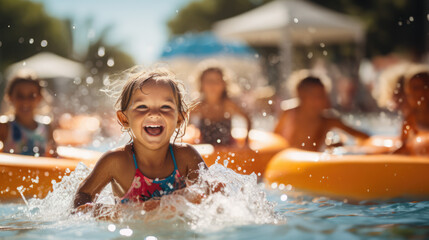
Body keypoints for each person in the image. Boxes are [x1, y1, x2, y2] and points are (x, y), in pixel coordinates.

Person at [73, 67, 207, 212]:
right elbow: (83, 195)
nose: (154, 114)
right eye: (142, 106)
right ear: (124, 119)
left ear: (180, 118)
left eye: (165, 107)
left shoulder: (186, 157)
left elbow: (211, 194)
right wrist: (102, 212)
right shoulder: (116, 162)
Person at [274, 72, 369, 152]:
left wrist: (346, 149)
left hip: (313, 164)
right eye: (317, 96)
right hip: (288, 162)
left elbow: (364, 138)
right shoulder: (289, 113)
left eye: (323, 95)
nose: (323, 100)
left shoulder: (328, 120)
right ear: (301, 96)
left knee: (337, 144)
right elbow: (275, 140)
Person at [190, 67, 252, 146]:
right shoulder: (199, 106)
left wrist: (246, 142)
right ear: (201, 84)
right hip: (205, 146)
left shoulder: (228, 104)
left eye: (217, 81)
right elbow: (183, 121)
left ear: (224, 84)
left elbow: (247, 119)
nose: (212, 85)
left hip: (227, 146)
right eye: (208, 81)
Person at [0, 72, 56, 157]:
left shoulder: (47, 127)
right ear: (10, 97)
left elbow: (55, 157)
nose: (25, 101)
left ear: (39, 98)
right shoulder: (5, 126)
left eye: (31, 96)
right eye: (20, 96)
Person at [395, 65, 429, 155]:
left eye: (416, 88)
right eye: (409, 90)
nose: (410, 93)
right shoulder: (411, 118)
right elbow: (403, 145)